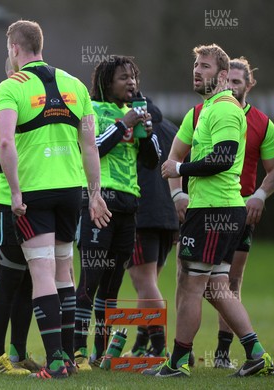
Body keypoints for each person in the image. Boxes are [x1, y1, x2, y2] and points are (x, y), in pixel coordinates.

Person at [144, 43, 273, 378]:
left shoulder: (224, 109)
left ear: (221, 74)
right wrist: (179, 188)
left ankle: (177, 362)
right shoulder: (206, 109)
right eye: (196, 65)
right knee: (217, 287)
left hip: (215, 211)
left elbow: (224, 158)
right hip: (218, 210)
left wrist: (180, 171)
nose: (197, 71)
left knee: (189, 285)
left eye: (204, 66)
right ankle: (256, 351)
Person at [0, 20, 111, 379]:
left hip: (35, 193)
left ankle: (56, 361)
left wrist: (15, 191)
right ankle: (67, 355)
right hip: (70, 192)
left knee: (41, 271)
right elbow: (90, 145)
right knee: (64, 271)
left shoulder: (11, 86)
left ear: (15, 49)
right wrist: (95, 194)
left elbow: (4, 143)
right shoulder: (76, 85)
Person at [74, 56, 159, 367]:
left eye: (134, 77)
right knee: (90, 279)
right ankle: (77, 349)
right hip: (99, 201)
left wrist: (146, 131)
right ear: (107, 82)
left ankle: (100, 352)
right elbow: (92, 146)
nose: (132, 83)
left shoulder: (132, 114)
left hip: (129, 205)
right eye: (124, 78)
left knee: (112, 285)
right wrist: (125, 124)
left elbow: (151, 162)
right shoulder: (92, 111)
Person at [200, 57, 274, 369]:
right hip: (205, 207)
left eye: (237, 82)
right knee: (194, 279)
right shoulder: (204, 111)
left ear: (249, 85)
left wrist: (260, 194)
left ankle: (221, 353)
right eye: (227, 81)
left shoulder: (262, 122)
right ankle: (183, 352)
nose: (231, 86)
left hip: (239, 208)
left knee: (229, 280)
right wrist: (179, 193)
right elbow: (180, 154)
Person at [0, 58, 40, 375]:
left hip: (32, 205)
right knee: (8, 277)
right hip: (5, 205)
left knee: (30, 280)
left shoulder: (36, 108)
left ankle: (18, 353)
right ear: (10, 74)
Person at [123, 96, 179, 359]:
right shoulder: (172, 128)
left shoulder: (133, 128)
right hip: (170, 215)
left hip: (142, 213)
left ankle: (161, 351)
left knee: (143, 282)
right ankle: (140, 344)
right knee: (148, 283)